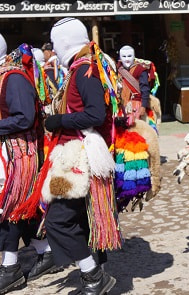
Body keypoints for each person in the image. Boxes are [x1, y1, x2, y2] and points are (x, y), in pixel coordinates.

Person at [43, 17, 119, 294]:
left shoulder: (84, 70)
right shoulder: (83, 66)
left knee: (58, 221)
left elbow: (96, 114)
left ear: (63, 42)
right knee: (84, 219)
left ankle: (94, 276)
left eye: (54, 42)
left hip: (78, 155)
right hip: (76, 150)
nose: (52, 48)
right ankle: (100, 275)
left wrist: (59, 120)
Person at [0, 35, 60, 294]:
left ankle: (10, 268)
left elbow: (24, 118)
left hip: (18, 154)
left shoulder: (12, 77)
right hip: (8, 151)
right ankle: (46, 251)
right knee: (19, 209)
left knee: (8, 210)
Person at [117, 45, 156, 124]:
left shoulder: (140, 69)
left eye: (129, 56)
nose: (127, 59)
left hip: (137, 105)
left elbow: (145, 89)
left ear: (134, 56)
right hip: (122, 106)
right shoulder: (118, 70)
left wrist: (143, 106)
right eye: (124, 56)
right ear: (120, 58)